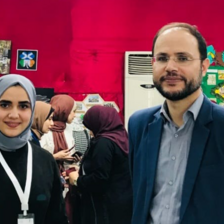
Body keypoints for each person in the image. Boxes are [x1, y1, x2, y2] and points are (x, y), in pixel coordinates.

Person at [128, 22, 224, 224]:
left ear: (204, 66)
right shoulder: (139, 124)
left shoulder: (220, 125)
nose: (170, 67)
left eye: (183, 58)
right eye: (162, 58)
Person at [0, 74, 68, 224]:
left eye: (23, 106)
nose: (13, 114)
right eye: (4, 104)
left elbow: (57, 216)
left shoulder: (45, 160)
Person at [69, 105, 133, 224]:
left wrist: (77, 180)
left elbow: (100, 179)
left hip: (105, 206)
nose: (90, 131)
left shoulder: (104, 143)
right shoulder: (122, 138)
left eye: (90, 127)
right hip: (122, 203)